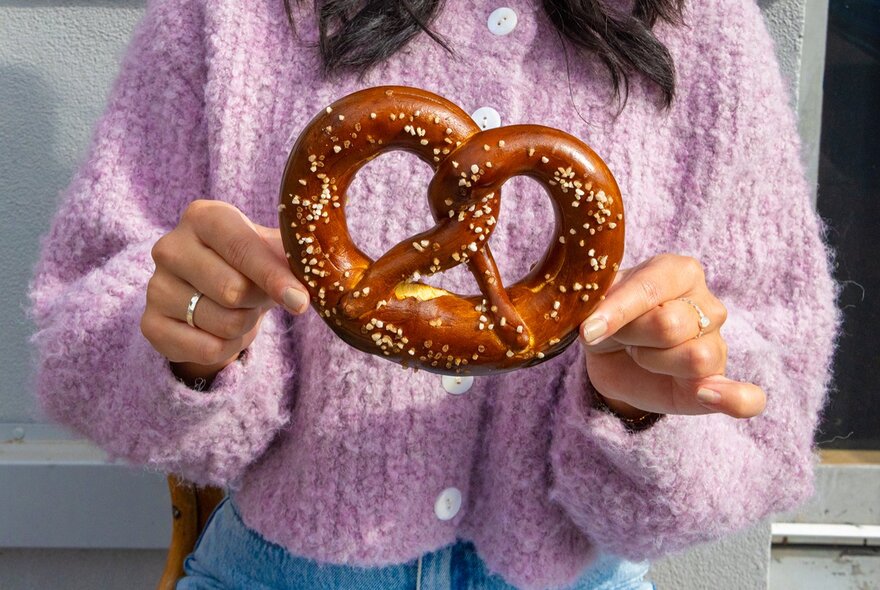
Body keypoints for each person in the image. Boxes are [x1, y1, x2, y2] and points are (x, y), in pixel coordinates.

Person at [27, 0, 839, 589]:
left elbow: (772, 385)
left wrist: (648, 406)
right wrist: (187, 351)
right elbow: (86, 316)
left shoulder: (705, 27)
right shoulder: (224, 16)